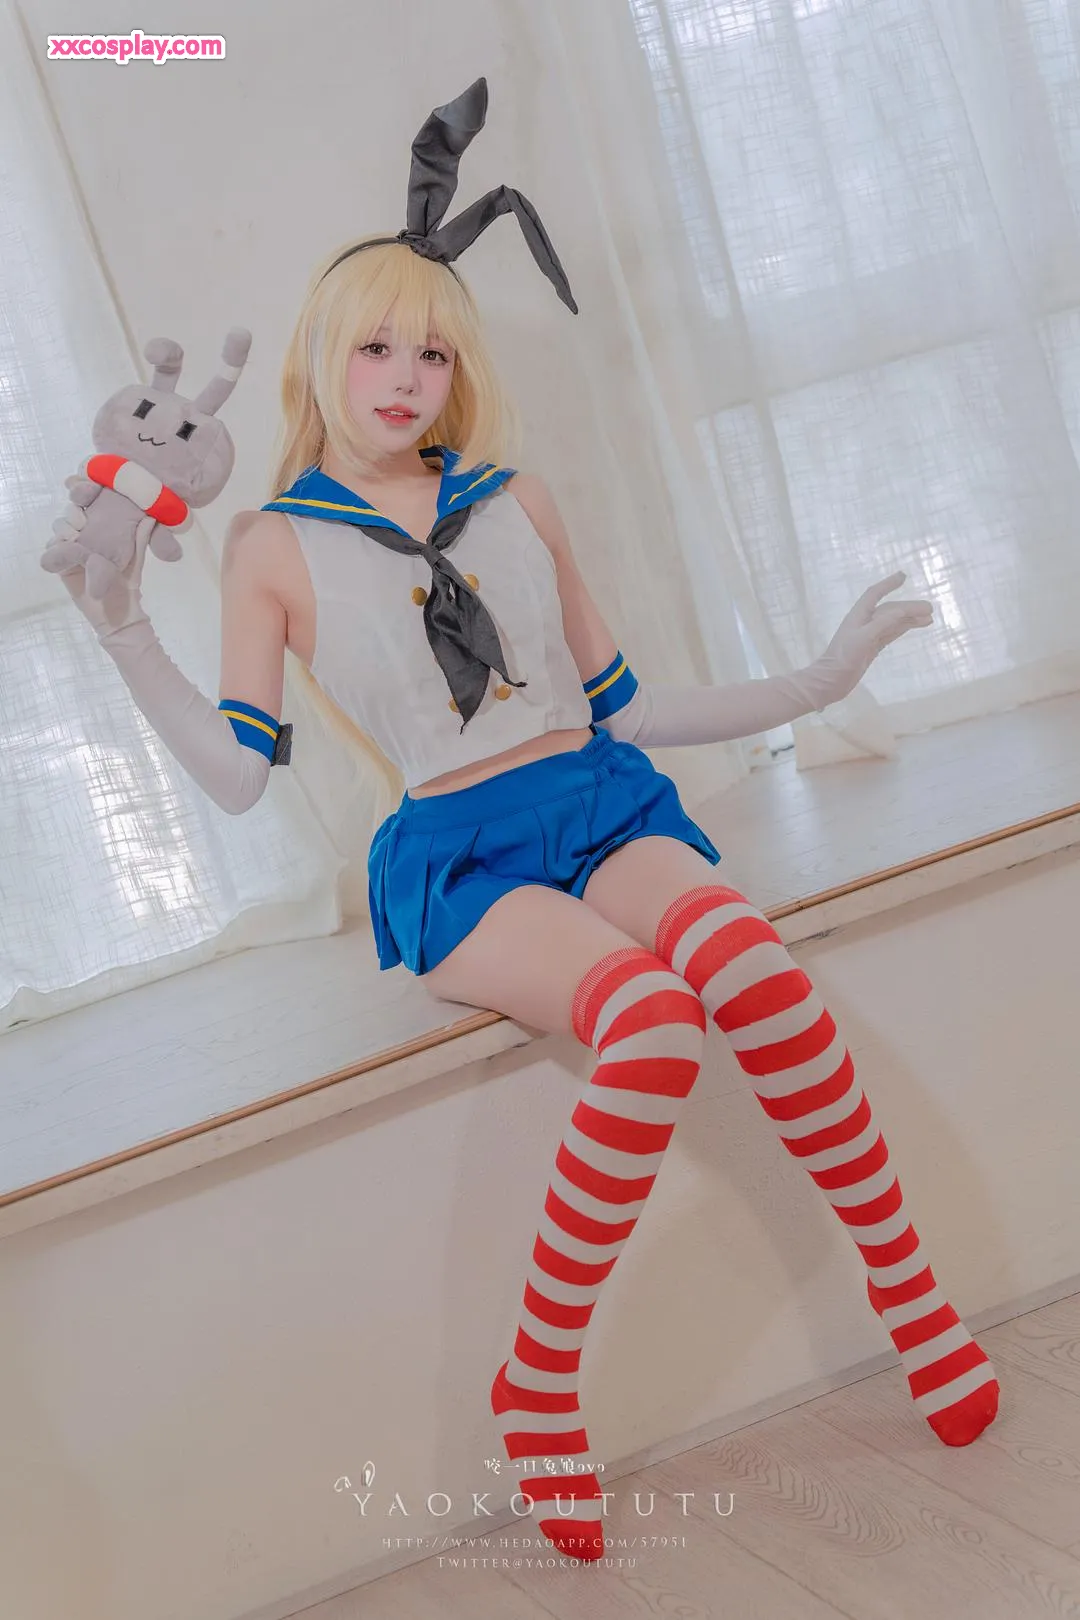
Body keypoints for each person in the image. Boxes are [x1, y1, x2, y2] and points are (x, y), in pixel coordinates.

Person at [43, 78, 999, 1569]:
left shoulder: (516, 499)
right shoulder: (274, 546)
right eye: (375, 345)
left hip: (599, 802)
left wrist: (816, 682)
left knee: (756, 973)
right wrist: (119, 633)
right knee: (654, 1023)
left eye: (432, 349)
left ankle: (908, 1294)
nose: (405, 376)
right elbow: (238, 778)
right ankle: (539, 1381)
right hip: (464, 855)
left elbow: (622, 703)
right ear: (320, 356)